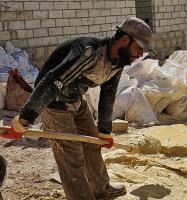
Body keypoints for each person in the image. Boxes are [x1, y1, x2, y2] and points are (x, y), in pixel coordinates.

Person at [1, 17, 152, 200]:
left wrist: (104, 131)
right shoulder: (88, 51)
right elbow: (53, 82)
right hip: (53, 102)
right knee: (71, 157)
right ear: (126, 40)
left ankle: (101, 190)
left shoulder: (118, 61)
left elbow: (108, 93)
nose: (141, 53)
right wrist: (24, 119)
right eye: (139, 47)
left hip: (75, 99)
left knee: (92, 145)